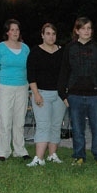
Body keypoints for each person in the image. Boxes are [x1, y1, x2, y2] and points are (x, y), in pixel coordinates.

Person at [58, 17, 97, 167]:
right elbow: (64, 71)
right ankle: (78, 156)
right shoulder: (69, 48)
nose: (86, 31)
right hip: (74, 95)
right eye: (83, 28)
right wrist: (63, 94)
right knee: (77, 129)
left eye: (89, 28)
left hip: (95, 96)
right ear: (77, 31)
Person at [25, 23, 66, 166]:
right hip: (42, 94)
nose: (51, 37)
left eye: (53, 34)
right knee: (43, 125)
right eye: (48, 33)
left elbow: (66, 74)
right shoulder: (35, 52)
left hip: (59, 95)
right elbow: (31, 75)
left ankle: (52, 155)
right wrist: (36, 93)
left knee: (56, 125)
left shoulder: (62, 52)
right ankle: (39, 158)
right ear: (42, 35)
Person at [0, 19, 30, 161]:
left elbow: (29, 67)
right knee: (5, 120)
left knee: (19, 121)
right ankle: (2, 151)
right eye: (12, 29)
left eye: (17, 29)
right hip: (5, 87)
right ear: (7, 32)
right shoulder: (0, 47)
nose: (15, 32)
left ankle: (20, 150)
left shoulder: (25, 48)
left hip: (22, 87)